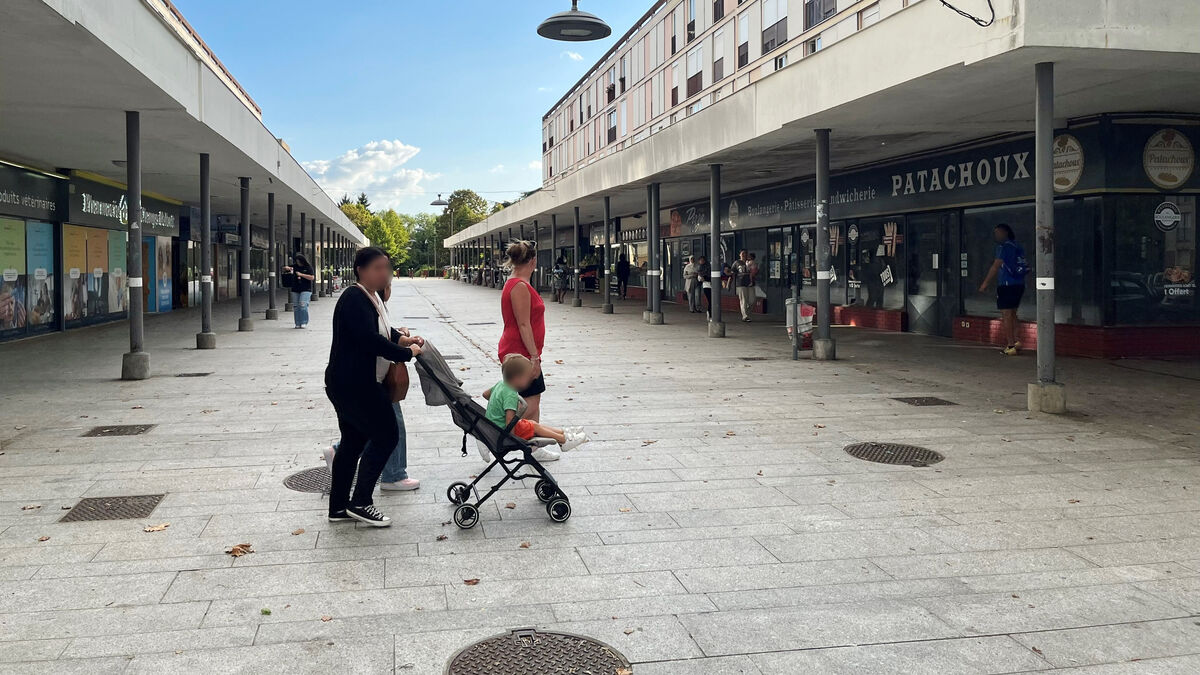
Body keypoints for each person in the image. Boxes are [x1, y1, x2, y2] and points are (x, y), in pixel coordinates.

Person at [324, 247, 424, 527]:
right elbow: (369, 340)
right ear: (361, 270)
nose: (384, 273)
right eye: (378, 268)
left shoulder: (369, 297)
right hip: (355, 384)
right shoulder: (354, 297)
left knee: (353, 443)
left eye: (386, 267)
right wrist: (407, 353)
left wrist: (401, 339)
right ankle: (361, 502)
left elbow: (380, 331)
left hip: (351, 382)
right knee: (386, 435)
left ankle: (339, 507)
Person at [484, 354, 588, 451]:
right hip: (504, 432)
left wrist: (498, 403)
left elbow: (485, 394)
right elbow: (510, 421)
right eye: (527, 378)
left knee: (532, 423)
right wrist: (513, 438)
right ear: (517, 378)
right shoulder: (511, 395)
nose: (530, 381)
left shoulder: (501, 384)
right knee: (535, 427)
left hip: (494, 427)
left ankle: (564, 433)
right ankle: (564, 441)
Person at [499, 240, 551, 428]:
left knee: (533, 401)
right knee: (528, 405)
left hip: (523, 351)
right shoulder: (519, 286)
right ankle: (497, 430)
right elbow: (523, 324)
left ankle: (534, 446)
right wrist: (534, 357)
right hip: (522, 353)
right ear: (533, 261)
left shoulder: (516, 283)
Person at [979, 223, 1029, 355]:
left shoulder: (1003, 247)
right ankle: (1017, 341)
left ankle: (1010, 345)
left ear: (1004, 232)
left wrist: (985, 283)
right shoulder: (1017, 245)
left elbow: (996, 266)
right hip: (1019, 283)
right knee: (1013, 313)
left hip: (1006, 284)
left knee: (1006, 314)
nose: (996, 235)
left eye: (997, 232)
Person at [283, 254, 315, 329]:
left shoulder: (308, 267)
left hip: (306, 289)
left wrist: (301, 274)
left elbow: (312, 277)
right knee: (296, 306)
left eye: (299, 261)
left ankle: (304, 322)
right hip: (295, 289)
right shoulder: (294, 267)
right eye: (297, 261)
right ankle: (297, 322)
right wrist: (286, 268)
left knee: (303, 305)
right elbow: (287, 268)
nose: (298, 263)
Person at [731, 250, 753, 322]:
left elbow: (754, 271)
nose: (744, 255)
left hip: (749, 283)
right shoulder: (737, 263)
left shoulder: (749, 262)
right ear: (739, 254)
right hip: (740, 283)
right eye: (742, 253)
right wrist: (728, 281)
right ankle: (745, 316)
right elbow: (732, 272)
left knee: (752, 300)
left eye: (745, 253)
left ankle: (747, 311)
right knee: (743, 300)